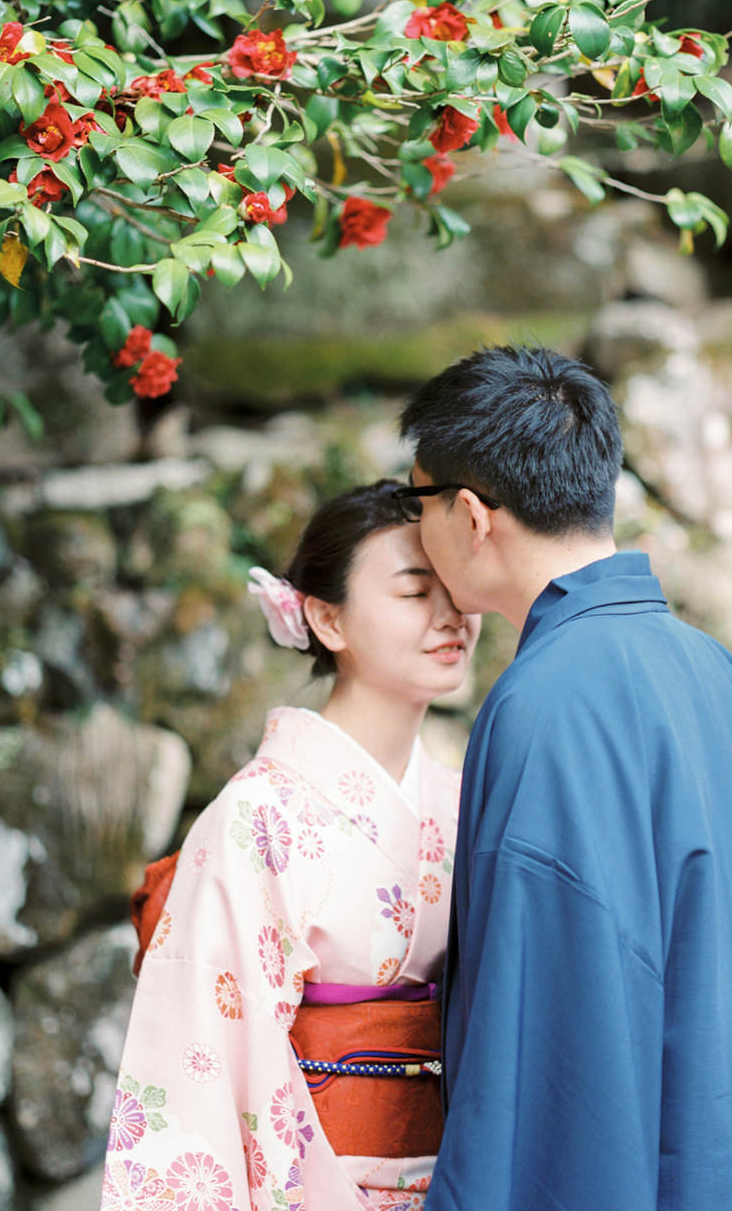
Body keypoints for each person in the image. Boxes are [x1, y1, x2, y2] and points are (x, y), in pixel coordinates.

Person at [394, 346, 732, 1211]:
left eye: (415, 503)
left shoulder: (547, 703)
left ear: (469, 514)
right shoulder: (706, 665)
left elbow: (551, 1038)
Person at [100, 480, 480, 1211]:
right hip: (314, 1183)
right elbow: (203, 1056)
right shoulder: (258, 816)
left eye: (455, 590)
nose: (451, 617)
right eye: (413, 591)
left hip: (459, 1179)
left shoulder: (465, 801)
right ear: (326, 619)